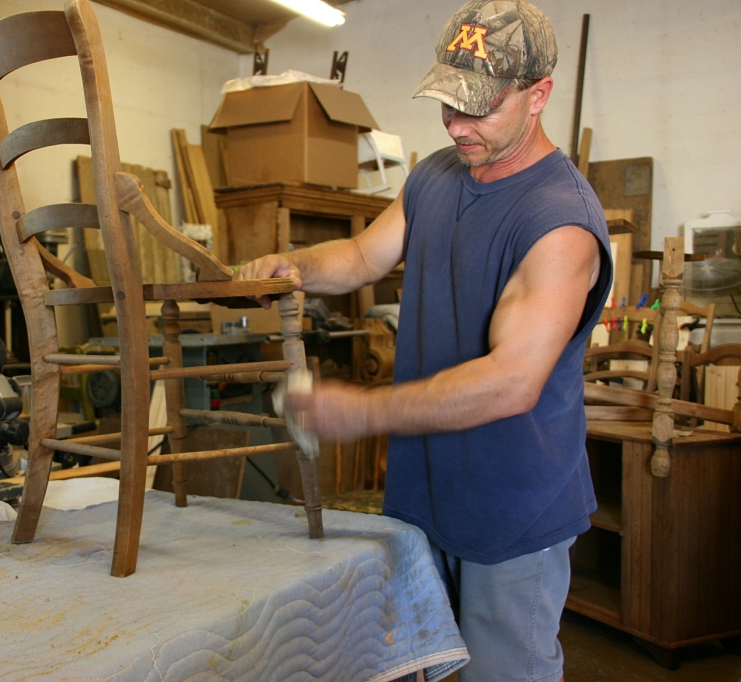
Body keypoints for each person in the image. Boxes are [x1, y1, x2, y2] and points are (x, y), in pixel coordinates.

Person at [236, 1, 612, 680]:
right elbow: (358, 256)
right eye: (448, 103)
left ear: (539, 96)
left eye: (478, 109)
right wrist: (298, 267)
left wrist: (363, 410)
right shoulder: (435, 177)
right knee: (421, 667)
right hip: (425, 495)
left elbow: (510, 381)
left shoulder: (560, 221)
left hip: (512, 509)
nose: (457, 126)